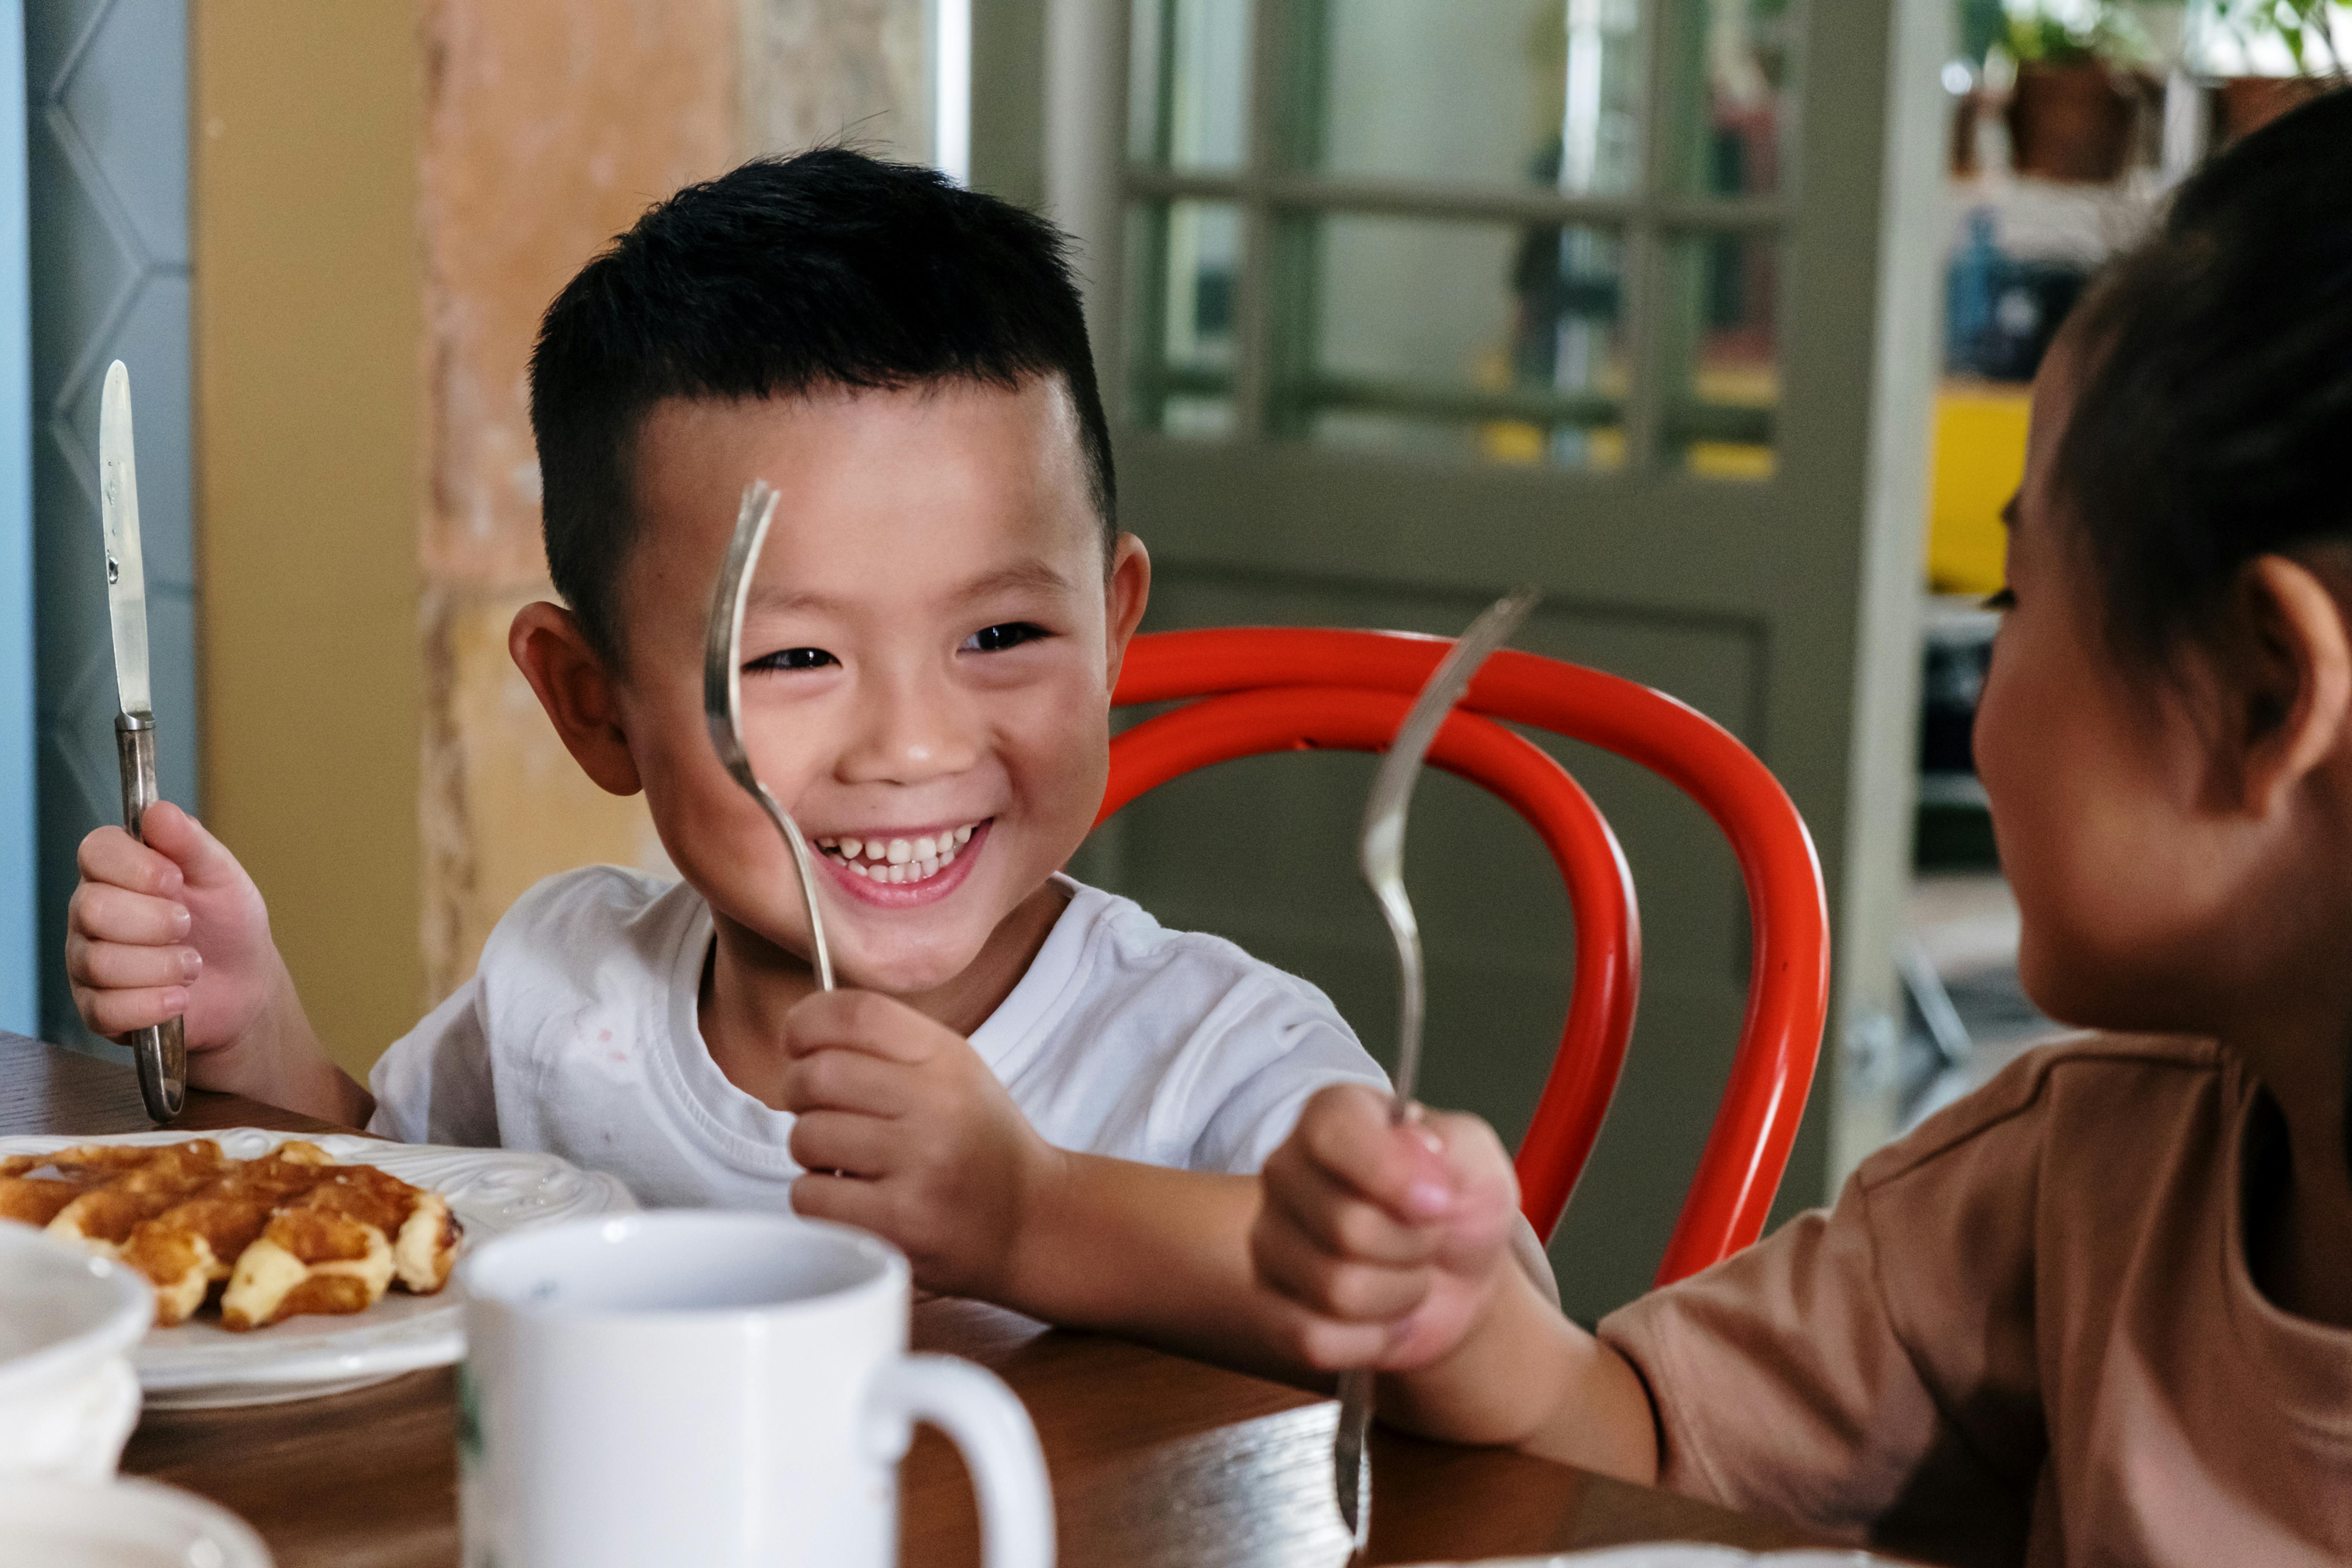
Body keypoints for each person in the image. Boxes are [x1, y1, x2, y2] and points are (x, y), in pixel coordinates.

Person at [1248, 90, 2352, 1567]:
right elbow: (1643, 1433)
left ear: (2265, 695)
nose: (1990, 674)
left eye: (2018, 600)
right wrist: (1466, 1315)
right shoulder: (2082, 1172)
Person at [63, 149, 1400, 1367]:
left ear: (1112, 626)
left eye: (998, 632)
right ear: (596, 708)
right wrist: (262, 1035)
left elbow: (1432, 1308)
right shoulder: (562, 997)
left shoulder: (1208, 1052)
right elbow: (411, 1213)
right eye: (794, 659)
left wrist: (1034, 1217)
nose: (912, 745)